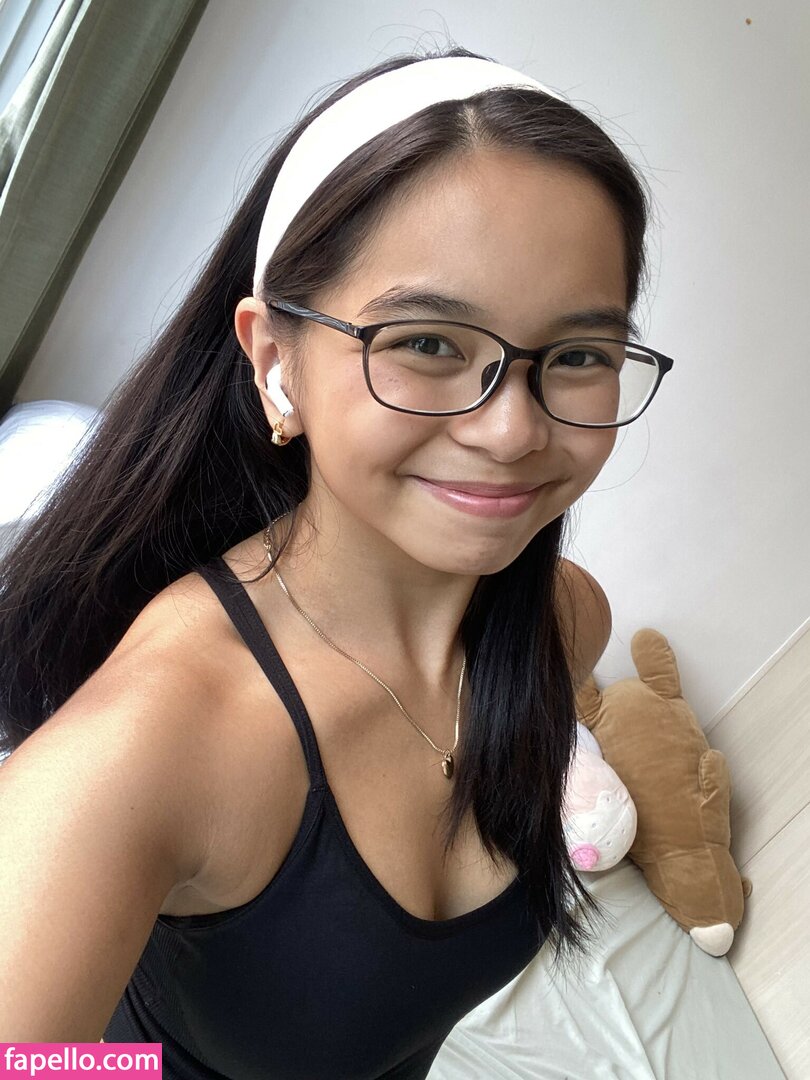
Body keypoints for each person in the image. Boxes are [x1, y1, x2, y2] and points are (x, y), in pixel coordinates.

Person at [0, 43, 672, 1079]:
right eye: (428, 344)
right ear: (276, 362)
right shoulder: (146, 750)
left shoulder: (562, 621)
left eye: (578, 355)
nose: (511, 431)